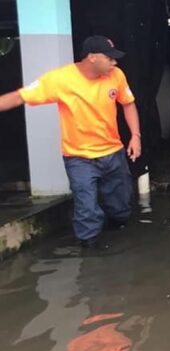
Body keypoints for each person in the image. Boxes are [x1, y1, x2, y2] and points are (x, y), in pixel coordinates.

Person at [0, 35, 141, 248]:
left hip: (113, 152)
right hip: (79, 157)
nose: (114, 62)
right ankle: (89, 249)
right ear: (92, 57)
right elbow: (20, 96)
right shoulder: (60, 79)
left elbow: (128, 104)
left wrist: (135, 136)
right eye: (109, 58)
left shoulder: (116, 75)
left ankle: (118, 233)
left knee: (120, 209)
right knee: (86, 209)